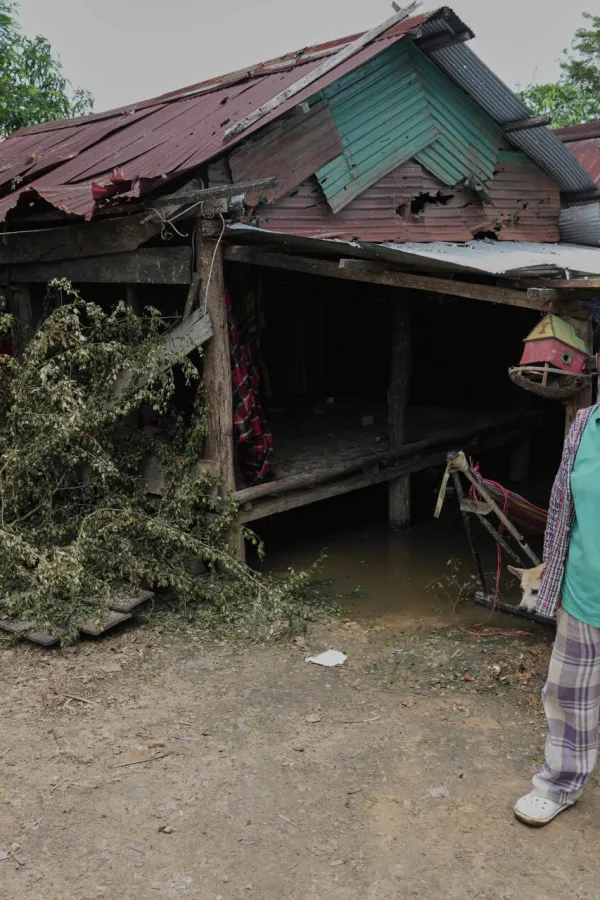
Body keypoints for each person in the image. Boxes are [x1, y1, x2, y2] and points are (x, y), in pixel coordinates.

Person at [514, 396, 600, 826]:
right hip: (586, 591)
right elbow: (563, 509)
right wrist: (556, 581)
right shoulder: (585, 424)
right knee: (568, 696)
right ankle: (559, 785)